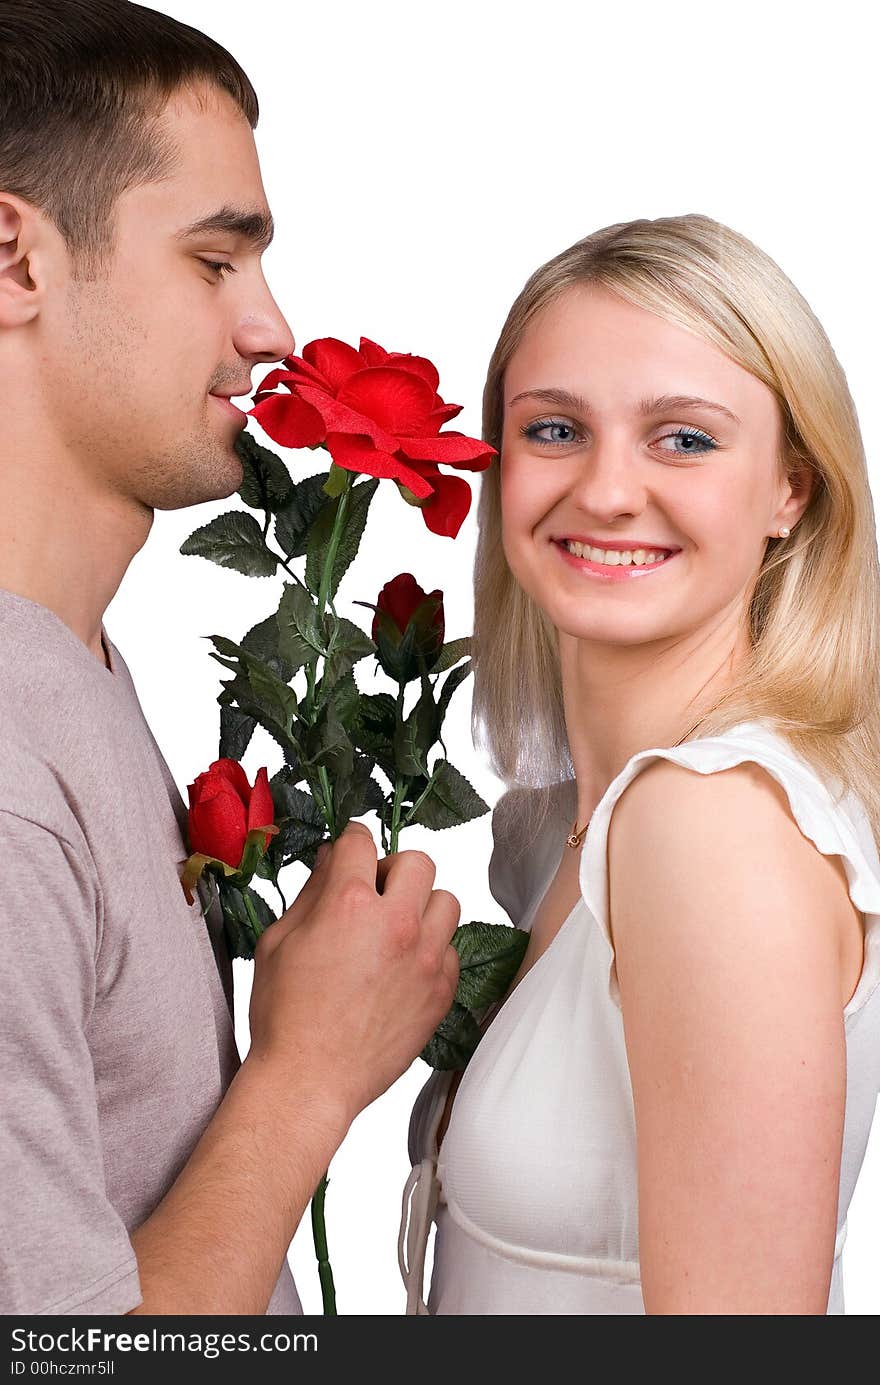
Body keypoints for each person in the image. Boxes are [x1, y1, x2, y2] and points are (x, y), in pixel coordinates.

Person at [0, 0, 460, 1316]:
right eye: (216, 261)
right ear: (13, 260)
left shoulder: (70, 666)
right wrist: (308, 1074)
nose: (270, 328)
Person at [399, 213, 880, 1315]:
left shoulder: (705, 824)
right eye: (555, 429)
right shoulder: (557, 823)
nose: (607, 491)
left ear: (788, 491)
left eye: (685, 439)